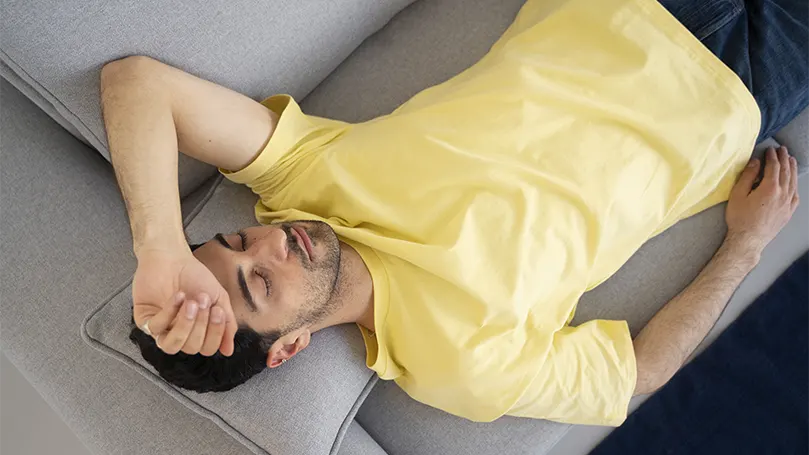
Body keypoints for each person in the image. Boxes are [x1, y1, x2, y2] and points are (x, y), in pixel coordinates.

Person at [102, 0, 806, 426]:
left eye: (235, 239)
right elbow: (638, 372)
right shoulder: (462, 367)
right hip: (739, 94)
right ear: (288, 346)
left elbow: (134, 84)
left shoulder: (302, 182)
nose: (270, 243)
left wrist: (161, 250)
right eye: (258, 283)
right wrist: (744, 245)